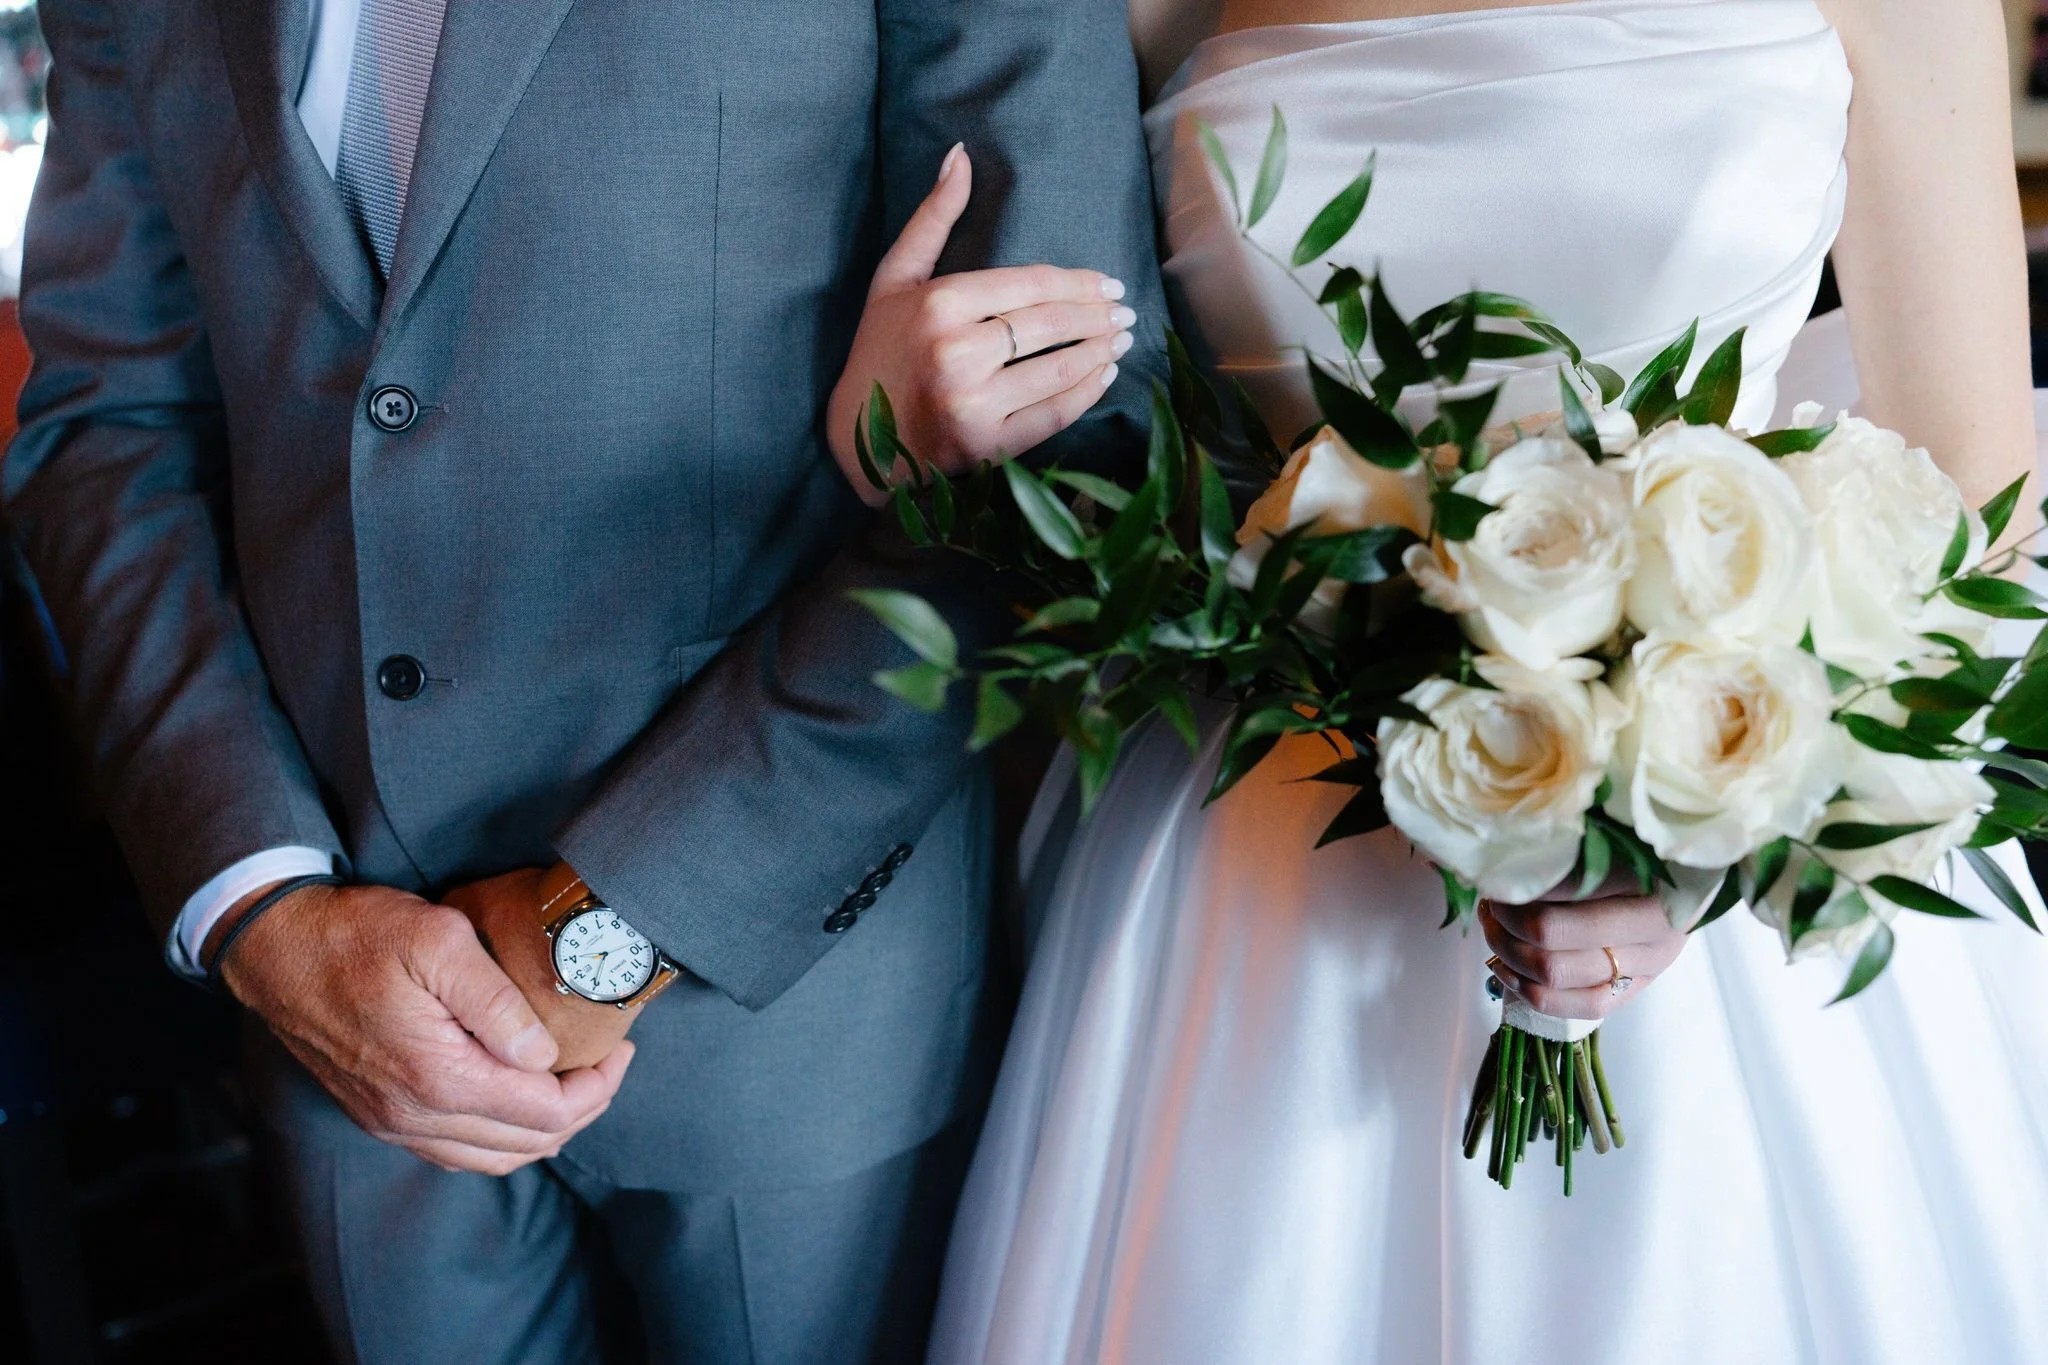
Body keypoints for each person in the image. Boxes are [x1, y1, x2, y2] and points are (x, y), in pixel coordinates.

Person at [830, 0, 2048, 1361]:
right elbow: (1089, 474)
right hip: (1265, 854)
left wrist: (1707, 850)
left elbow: (1976, 527)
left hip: (1728, 817)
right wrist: (888, 432)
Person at [0, 0, 1165, 1360]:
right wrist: (257, 903)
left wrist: (617, 925)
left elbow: (1065, 445)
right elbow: (111, 425)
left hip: (786, 1003)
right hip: (343, 1004)